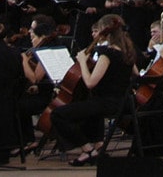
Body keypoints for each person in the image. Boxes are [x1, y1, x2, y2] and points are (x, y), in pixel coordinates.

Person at [49, 13, 136, 166]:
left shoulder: (107, 54)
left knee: (58, 115)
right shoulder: (127, 51)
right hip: (122, 101)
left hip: (107, 103)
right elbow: (134, 73)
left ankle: (88, 150)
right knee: (89, 105)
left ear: (105, 31)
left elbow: (90, 83)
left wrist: (82, 61)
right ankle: (98, 146)